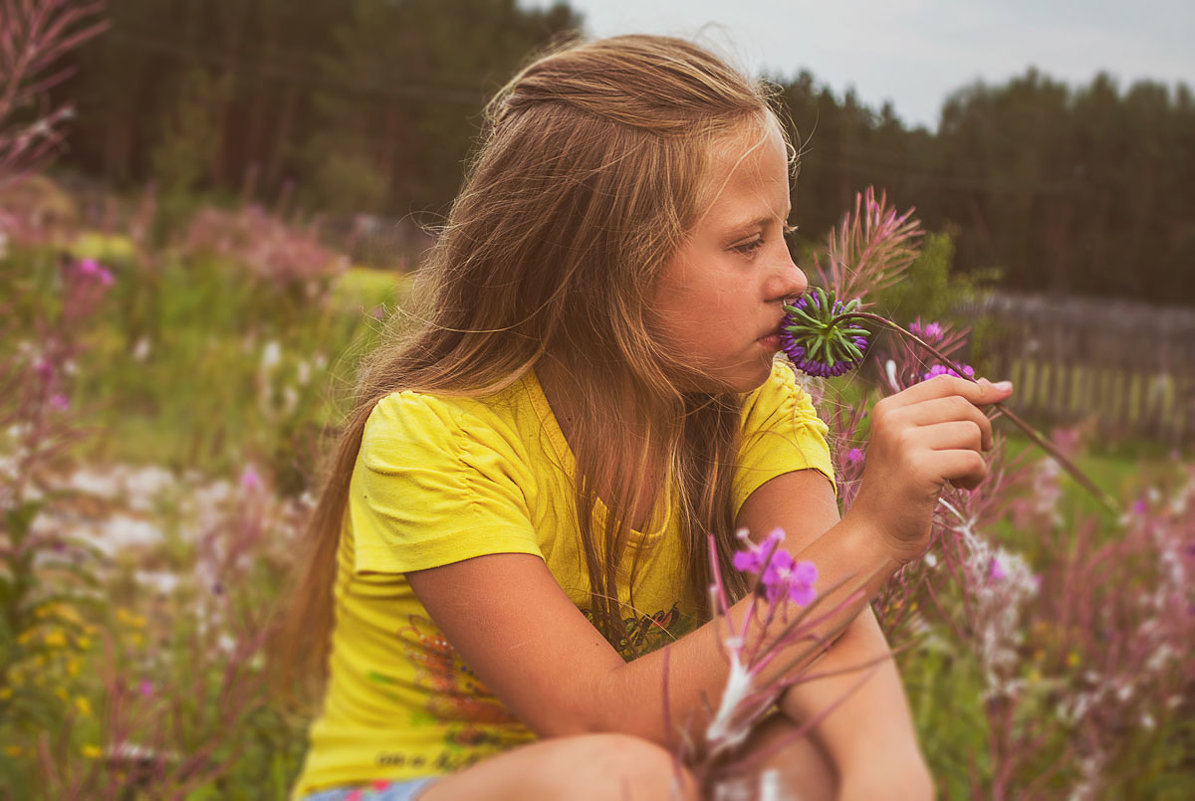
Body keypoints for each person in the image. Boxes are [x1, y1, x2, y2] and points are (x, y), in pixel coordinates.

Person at [280, 34, 1012, 801]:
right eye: (745, 242)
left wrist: (883, 769)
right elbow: (597, 719)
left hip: (632, 774)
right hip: (411, 785)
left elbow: (818, 623)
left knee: (809, 765)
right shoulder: (434, 436)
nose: (793, 276)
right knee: (625, 779)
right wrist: (869, 537)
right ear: (602, 269)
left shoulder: (754, 403)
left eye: (784, 233)